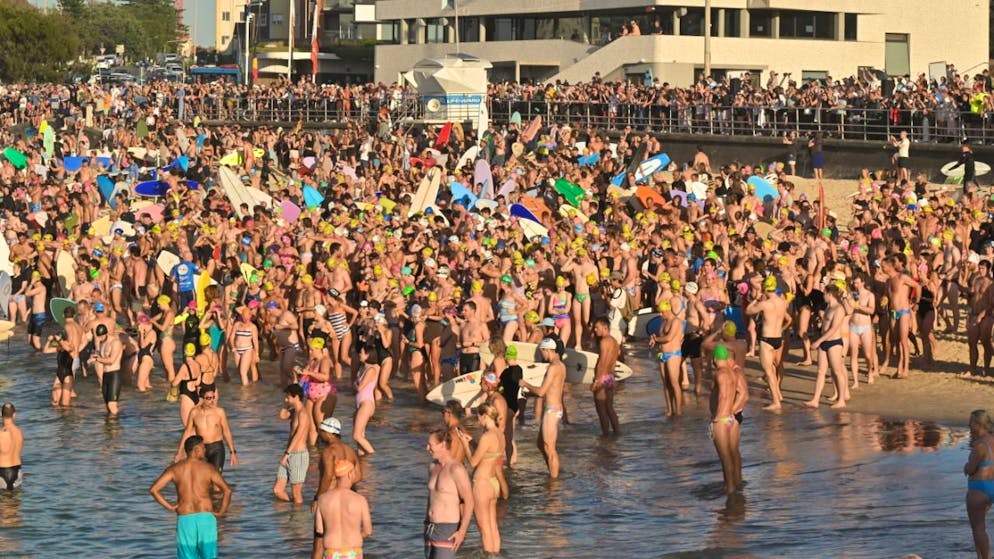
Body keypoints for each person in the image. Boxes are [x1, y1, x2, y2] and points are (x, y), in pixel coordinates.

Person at [149, 435, 232, 559]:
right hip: (206, 517)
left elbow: (154, 490)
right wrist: (221, 512)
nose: (206, 450)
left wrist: (170, 507)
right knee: (209, 556)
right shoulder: (208, 468)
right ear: (196, 450)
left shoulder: (175, 469)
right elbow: (227, 491)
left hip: (185, 518)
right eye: (203, 447)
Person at [424, 428, 474, 559]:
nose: (427, 448)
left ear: (443, 445)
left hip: (448, 529)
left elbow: (469, 501)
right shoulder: (432, 466)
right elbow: (431, 498)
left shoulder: (456, 469)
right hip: (430, 527)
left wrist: (462, 532)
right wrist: (426, 522)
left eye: (430, 445)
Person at [521, 338, 566, 478]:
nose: (542, 356)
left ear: (548, 350)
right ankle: (553, 472)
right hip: (555, 409)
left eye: (543, 352)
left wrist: (525, 384)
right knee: (541, 444)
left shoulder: (553, 368)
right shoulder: (561, 365)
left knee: (549, 448)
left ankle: (554, 483)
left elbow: (541, 392)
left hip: (551, 410)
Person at [744, 275, 789, 410]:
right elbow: (788, 319)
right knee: (775, 368)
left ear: (765, 288)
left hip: (767, 340)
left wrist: (757, 298)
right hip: (778, 338)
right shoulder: (783, 302)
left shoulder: (764, 304)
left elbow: (748, 311)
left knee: (769, 372)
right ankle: (778, 395)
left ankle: (776, 402)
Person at [709, 345, 748, 495]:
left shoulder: (720, 374)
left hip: (722, 420)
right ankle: (735, 484)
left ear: (715, 358)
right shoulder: (734, 373)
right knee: (732, 453)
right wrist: (731, 412)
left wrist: (718, 416)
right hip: (731, 419)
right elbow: (741, 394)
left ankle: (730, 489)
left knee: (724, 456)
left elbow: (723, 396)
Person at [314, 458, 372, 559]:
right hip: (353, 552)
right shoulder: (360, 499)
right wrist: (353, 536)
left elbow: (319, 529)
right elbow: (368, 531)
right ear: (350, 474)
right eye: (354, 472)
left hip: (331, 552)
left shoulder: (322, 499)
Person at [175, 385, 238, 473]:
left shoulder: (219, 412)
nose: (212, 401)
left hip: (217, 448)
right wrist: (179, 451)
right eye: (208, 398)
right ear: (202, 399)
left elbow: (226, 432)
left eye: (213, 397)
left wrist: (232, 452)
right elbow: (187, 432)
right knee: (202, 479)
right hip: (201, 448)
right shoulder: (194, 413)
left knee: (216, 478)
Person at [470, 403, 504, 555]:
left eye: (478, 417)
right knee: (493, 527)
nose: (478, 421)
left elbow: (473, 462)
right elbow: (487, 454)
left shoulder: (486, 436)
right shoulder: (499, 434)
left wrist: (465, 444)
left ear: (484, 416)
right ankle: (496, 556)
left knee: (484, 529)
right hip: (493, 482)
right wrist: (471, 442)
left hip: (482, 483)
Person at [274, 384, 312, 503]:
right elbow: (282, 416)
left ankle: (297, 519)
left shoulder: (303, 414)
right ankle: (291, 510)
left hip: (298, 455)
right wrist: (286, 404)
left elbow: (298, 435)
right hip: (289, 454)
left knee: (296, 492)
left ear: (296, 397)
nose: (286, 399)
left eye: (288, 397)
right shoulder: (294, 412)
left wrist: (286, 454)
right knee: (277, 490)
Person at [965, 410, 994, 559]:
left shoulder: (980, 445)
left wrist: (966, 466)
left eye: (972, 422)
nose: (969, 425)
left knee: (978, 529)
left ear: (979, 424)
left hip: (979, 487)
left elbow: (970, 469)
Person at [650, 300, 684, 416]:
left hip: (673, 354)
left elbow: (669, 338)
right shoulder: (663, 322)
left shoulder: (676, 321)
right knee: (665, 384)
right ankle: (669, 410)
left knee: (674, 383)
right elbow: (661, 337)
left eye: (662, 312)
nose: (660, 314)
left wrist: (656, 339)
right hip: (662, 354)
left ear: (668, 310)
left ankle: (678, 411)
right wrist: (653, 339)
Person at [591, 317, 621, 434]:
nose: (595, 330)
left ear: (605, 327)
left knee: (601, 410)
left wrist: (597, 381)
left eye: (597, 327)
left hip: (602, 378)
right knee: (609, 408)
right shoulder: (614, 341)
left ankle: (605, 435)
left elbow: (602, 363)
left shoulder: (604, 341)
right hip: (610, 378)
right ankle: (617, 432)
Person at [91, 323, 123, 416]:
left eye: (101, 336)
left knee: (112, 405)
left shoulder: (115, 342)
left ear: (106, 333)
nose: (100, 339)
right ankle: (108, 429)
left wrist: (97, 359)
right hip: (106, 375)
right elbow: (102, 357)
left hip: (114, 375)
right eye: (99, 337)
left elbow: (111, 360)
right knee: (107, 406)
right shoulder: (103, 343)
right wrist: (94, 357)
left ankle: (116, 428)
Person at [353, 344, 378, 456]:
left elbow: (359, 387)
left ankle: (373, 455)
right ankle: (362, 460)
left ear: (368, 355)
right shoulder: (363, 368)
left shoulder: (371, 370)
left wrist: (355, 383)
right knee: (360, 437)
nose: (359, 354)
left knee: (356, 435)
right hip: (360, 404)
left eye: (362, 352)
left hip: (366, 404)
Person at [0, 403, 23, 491]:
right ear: (14, 415)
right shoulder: (19, 432)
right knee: (15, 502)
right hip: (17, 471)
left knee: (4, 503)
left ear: (1, 415)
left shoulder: (1, 434)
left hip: (3, 471)